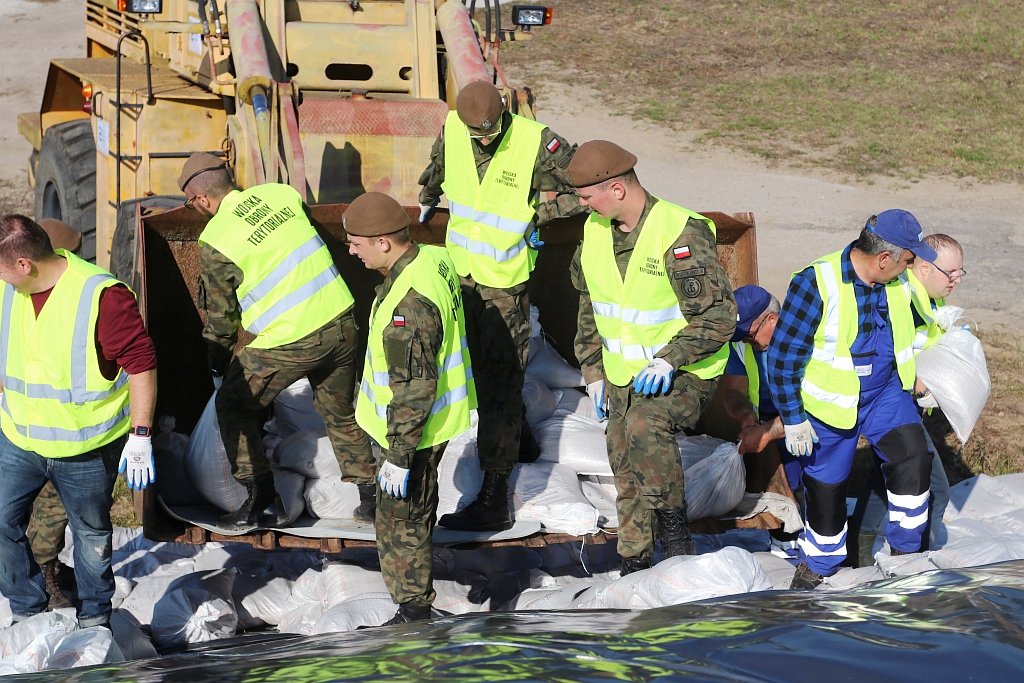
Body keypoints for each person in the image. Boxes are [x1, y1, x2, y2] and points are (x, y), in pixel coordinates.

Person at [419, 80, 583, 532]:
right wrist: (427, 195)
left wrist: (541, 215)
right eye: (478, 135)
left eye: (491, 133)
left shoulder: (536, 142)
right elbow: (437, 170)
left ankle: (495, 496)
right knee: (461, 373)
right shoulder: (454, 129)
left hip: (504, 285)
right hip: (460, 275)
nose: (485, 140)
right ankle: (521, 439)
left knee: (498, 386)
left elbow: (588, 183)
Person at [567, 140, 736, 575]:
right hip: (624, 372)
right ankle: (634, 561)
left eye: (588, 197)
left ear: (617, 189)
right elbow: (591, 303)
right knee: (623, 456)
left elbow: (719, 316)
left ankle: (676, 538)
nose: (582, 206)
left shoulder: (679, 233)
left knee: (646, 426)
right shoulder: (594, 231)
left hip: (685, 369)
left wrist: (670, 358)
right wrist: (593, 369)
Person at [178, 153, 373, 529]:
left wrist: (217, 364)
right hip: (342, 322)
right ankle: (370, 498)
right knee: (340, 411)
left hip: (294, 339)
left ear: (201, 200)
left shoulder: (216, 240)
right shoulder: (281, 194)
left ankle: (258, 496)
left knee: (234, 404)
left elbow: (222, 319)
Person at [766, 209, 938, 589]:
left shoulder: (899, 281)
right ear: (884, 259)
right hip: (831, 405)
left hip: (883, 394)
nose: (913, 267)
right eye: (909, 259)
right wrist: (793, 417)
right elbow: (782, 358)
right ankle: (820, 565)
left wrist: (934, 374)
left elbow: (927, 323)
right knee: (827, 488)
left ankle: (907, 557)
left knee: (913, 454)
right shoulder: (817, 283)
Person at [0, 214, 157, 628]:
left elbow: (140, 364)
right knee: (2, 521)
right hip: (20, 439)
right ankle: (28, 611)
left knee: (91, 537)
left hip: (84, 447)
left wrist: (140, 435)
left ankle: (94, 618)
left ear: (23, 264)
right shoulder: (8, 291)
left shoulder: (101, 296)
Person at [344, 193, 474, 625]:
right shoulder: (433, 259)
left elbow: (415, 386)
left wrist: (399, 455)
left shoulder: (410, 305)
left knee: (403, 519)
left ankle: (414, 610)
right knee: (408, 511)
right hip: (421, 424)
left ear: (384, 242)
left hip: (410, 432)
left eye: (356, 243)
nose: (350, 251)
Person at [850, 233, 965, 556]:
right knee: (936, 491)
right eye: (950, 273)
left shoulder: (930, 299)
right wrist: (915, 381)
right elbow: (882, 351)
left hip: (904, 407)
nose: (956, 279)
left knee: (882, 480)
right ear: (924, 268)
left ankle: (857, 551)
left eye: (960, 273)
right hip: (892, 406)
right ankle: (915, 562)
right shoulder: (902, 298)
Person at [24, 218, 85, 610]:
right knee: (52, 503)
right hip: (43, 423)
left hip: (34, 419)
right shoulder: (43, 301)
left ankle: (43, 567)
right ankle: (44, 577)